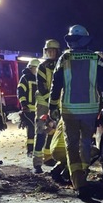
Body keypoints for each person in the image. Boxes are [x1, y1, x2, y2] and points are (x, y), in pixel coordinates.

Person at [49, 25, 103, 198]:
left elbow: (56, 85)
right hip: (90, 110)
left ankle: (78, 182)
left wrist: (52, 106)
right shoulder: (96, 58)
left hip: (69, 110)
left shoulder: (65, 58)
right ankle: (82, 175)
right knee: (85, 143)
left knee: (71, 145)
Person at [31, 39, 60, 173]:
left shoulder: (61, 65)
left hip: (56, 104)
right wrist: (52, 102)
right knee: (41, 131)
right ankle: (37, 163)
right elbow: (42, 87)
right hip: (44, 103)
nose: (50, 53)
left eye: (53, 50)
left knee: (53, 131)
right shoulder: (42, 67)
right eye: (48, 50)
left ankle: (48, 158)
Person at [17, 58, 40, 160]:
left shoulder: (40, 78)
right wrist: (24, 104)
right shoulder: (25, 78)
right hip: (29, 109)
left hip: (39, 108)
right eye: (35, 68)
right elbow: (21, 91)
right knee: (31, 129)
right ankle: (30, 150)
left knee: (40, 130)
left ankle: (38, 149)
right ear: (30, 68)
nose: (37, 70)